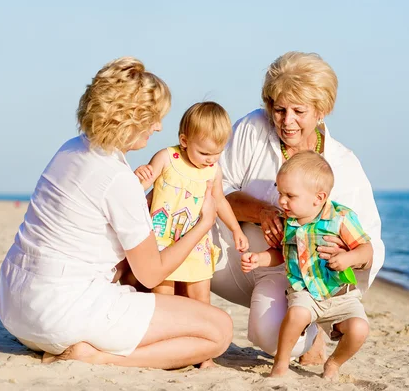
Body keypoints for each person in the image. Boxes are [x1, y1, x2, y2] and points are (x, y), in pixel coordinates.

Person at [0, 57, 233, 369]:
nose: (160, 126)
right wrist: (203, 224)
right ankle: (99, 357)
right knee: (219, 331)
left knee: (132, 276)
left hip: (14, 306)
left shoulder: (71, 148)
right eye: (153, 118)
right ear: (128, 119)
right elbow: (152, 273)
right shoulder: (117, 177)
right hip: (58, 315)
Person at [210, 51, 385, 364]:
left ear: (321, 110)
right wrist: (261, 211)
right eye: (279, 109)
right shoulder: (252, 128)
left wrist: (344, 252)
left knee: (273, 340)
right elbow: (213, 185)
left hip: (298, 279)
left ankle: (313, 328)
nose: (286, 121)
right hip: (238, 258)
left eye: (298, 111)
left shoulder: (344, 165)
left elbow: (371, 240)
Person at [134, 102, 249, 368]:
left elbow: (219, 201)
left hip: (197, 246)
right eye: (205, 152)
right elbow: (140, 188)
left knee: (200, 302)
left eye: (217, 153)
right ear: (184, 141)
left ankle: (203, 354)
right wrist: (139, 177)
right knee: (165, 301)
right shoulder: (166, 158)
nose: (211, 159)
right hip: (162, 243)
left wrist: (235, 229)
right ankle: (168, 349)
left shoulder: (213, 170)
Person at [241, 151, 373, 379]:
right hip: (305, 291)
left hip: (340, 293)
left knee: (360, 329)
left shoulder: (341, 218)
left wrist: (348, 259)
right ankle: (280, 364)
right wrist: (259, 259)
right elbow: (281, 254)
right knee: (297, 314)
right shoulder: (289, 221)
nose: (281, 201)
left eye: (289, 195)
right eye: (280, 192)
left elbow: (366, 249)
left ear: (318, 197)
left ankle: (334, 363)